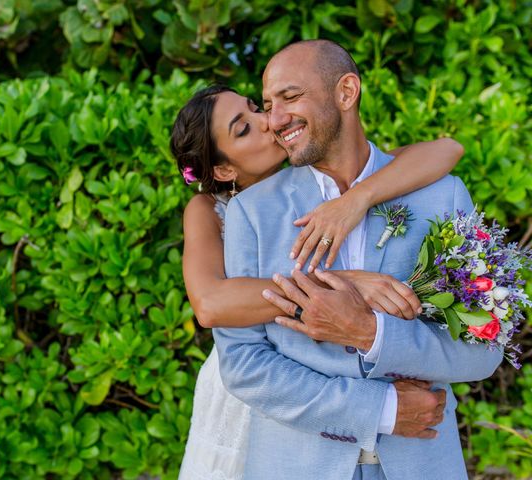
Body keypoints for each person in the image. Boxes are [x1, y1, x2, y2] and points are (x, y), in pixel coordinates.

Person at [212, 40, 503, 479]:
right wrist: (382, 410)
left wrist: (371, 333)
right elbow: (243, 364)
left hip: (423, 465)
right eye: (268, 104)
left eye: (291, 97)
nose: (274, 120)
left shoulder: (443, 195)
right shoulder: (250, 213)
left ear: (346, 93)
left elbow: (484, 348)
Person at [171, 82, 466, 478]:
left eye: (256, 108)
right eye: (243, 128)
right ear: (224, 169)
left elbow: (447, 150)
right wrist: (344, 283)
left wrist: (355, 199)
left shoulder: (330, 177)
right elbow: (210, 304)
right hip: (255, 385)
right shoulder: (209, 209)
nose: (267, 121)